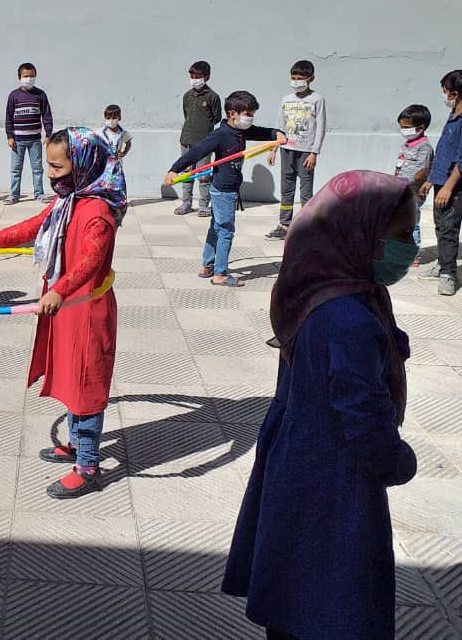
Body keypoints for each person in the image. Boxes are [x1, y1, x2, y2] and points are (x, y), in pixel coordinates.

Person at [222, 170, 419, 640]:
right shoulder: (351, 321)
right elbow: (365, 422)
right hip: (334, 483)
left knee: (292, 592)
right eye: (401, 235)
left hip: (295, 465)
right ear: (359, 234)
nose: (411, 246)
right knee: (333, 601)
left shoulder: (319, 293)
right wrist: (399, 461)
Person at [0, 127, 125, 498]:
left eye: (57, 167)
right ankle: (75, 443)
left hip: (87, 310)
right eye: (50, 166)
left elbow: (91, 261)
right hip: (67, 306)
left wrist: (59, 290)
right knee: (71, 376)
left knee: (86, 384)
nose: (51, 174)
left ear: (82, 166)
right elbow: (35, 226)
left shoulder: (97, 211)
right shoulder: (69, 201)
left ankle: (88, 467)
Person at [165, 91, 287, 287]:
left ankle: (207, 266)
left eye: (252, 114)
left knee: (216, 227)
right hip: (223, 190)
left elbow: (262, 132)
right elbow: (197, 151)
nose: (250, 118)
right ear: (232, 114)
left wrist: (277, 134)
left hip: (227, 188)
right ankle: (220, 273)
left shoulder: (242, 131)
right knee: (226, 231)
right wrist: (174, 170)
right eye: (248, 114)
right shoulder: (220, 135)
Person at [265, 60, 327, 239]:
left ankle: (306, 226)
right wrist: (273, 149)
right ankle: (284, 224)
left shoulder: (317, 99)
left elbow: (321, 127)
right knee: (287, 189)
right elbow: (280, 125)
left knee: (306, 191)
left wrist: (314, 152)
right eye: (293, 78)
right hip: (286, 150)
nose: (296, 81)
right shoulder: (286, 99)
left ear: (311, 78)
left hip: (306, 152)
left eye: (300, 78)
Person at [420, 70, 462, 296]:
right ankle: (442, 264)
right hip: (441, 180)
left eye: (446, 92)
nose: (444, 96)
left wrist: (448, 186)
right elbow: (445, 151)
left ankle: (448, 274)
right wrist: (432, 180)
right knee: (440, 225)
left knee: (449, 228)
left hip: (454, 186)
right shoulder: (454, 114)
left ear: (456, 93)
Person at [177, 60, 222, 217]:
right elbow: (186, 114)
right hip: (186, 140)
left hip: (204, 142)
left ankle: (203, 205)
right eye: (192, 77)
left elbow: (216, 118)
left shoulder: (212, 97)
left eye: (198, 77)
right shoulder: (187, 96)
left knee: (203, 175)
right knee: (186, 173)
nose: (194, 80)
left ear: (206, 77)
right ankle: (186, 202)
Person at [4, 62, 53, 205]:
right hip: (17, 141)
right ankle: (14, 195)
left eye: (32, 76)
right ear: (19, 77)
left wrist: (48, 134)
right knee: (15, 169)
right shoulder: (14, 95)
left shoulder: (40, 95)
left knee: (37, 169)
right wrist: (10, 136)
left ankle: (39, 194)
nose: (29, 79)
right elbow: (8, 118)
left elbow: (47, 115)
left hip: (35, 140)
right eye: (25, 76)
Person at [393, 104, 433, 268]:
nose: (403, 130)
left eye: (406, 127)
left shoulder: (424, 148)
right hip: (401, 191)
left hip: (413, 193)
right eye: (401, 127)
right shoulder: (406, 145)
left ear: (420, 127)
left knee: (412, 223)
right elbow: (399, 166)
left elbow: (422, 172)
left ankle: (413, 254)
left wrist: (404, 183)